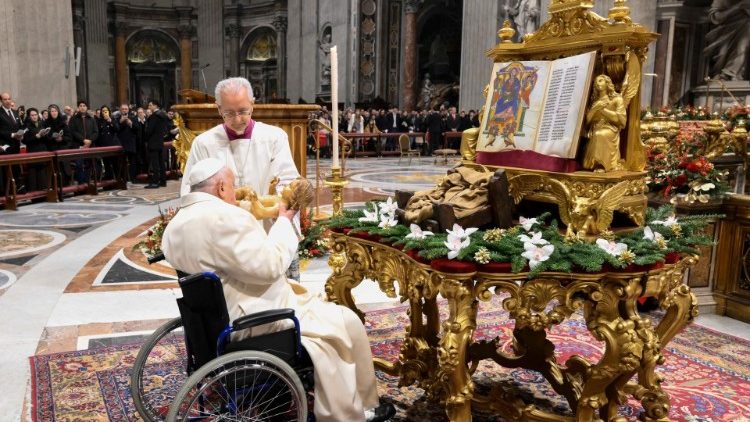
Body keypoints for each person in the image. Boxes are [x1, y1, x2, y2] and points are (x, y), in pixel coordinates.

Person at [162, 158, 395, 422]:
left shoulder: (175, 224)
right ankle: (352, 411)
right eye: (232, 185)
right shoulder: (225, 217)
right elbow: (270, 266)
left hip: (211, 319)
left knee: (329, 312)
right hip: (252, 317)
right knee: (345, 323)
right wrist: (285, 220)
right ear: (221, 188)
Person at [180, 77, 299, 202]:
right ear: (219, 109)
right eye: (229, 113)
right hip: (221, 219)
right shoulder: (203, 143)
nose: (237, 120)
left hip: (265, 219)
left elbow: (287, 182)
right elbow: (191, 191)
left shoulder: (275, 137)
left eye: (243, 111)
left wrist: (276, 210)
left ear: (252, 105)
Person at [144, 99, 170, 188]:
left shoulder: (154, 116)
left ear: (155, 106)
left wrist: (145, 138)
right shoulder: (162, 115)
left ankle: (155, 182)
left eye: (150, 105)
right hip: (160, 141)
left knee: (155, 163)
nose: (149, 107)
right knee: (161, 162)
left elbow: (150, 130)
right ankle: (163, 181)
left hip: (153, 142)